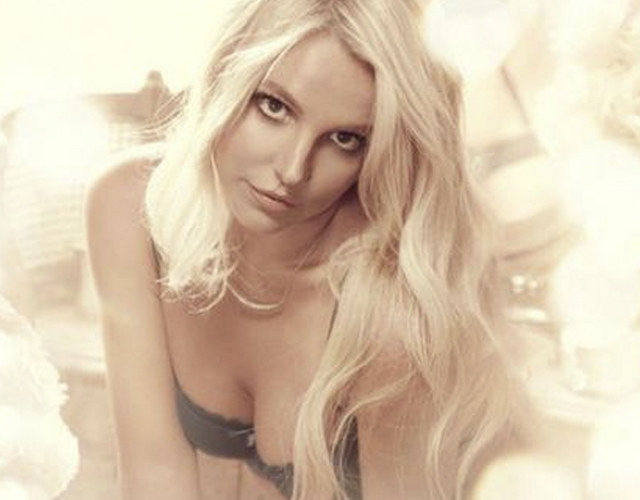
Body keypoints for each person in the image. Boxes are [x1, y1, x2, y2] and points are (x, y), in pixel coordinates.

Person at [84, 0, 534, 499]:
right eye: (274, 107)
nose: (293, 170)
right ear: (224, 75)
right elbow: (153, 475)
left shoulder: (391, 305)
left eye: (344, 139)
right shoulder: (128, 206)